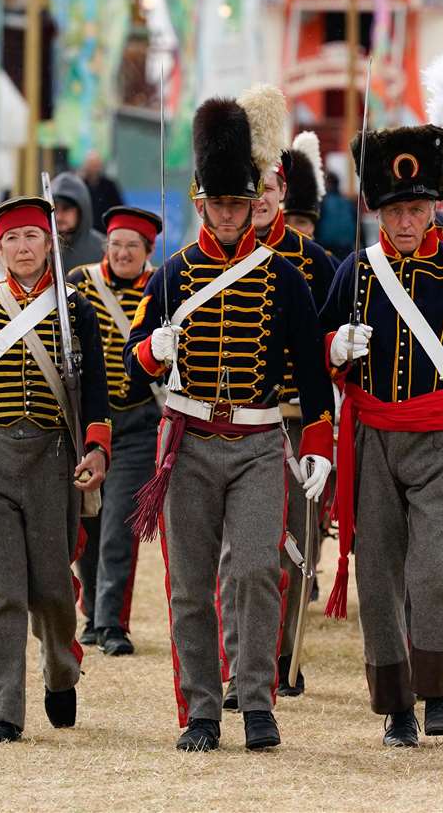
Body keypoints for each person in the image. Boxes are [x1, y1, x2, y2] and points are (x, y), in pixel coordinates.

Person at [125, 89, 334, 755]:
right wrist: (150, 354)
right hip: (186, 441)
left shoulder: (285, 278)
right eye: (218, 203)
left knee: (253, 570)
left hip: (255, 441)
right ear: (201, 202)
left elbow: (312, 373)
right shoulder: (171, 275)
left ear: (253, 203)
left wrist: (322, 445)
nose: (228, 213)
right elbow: (132, 373)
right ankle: (201, 711)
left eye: (239, 203)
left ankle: (256, 700)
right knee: (190, 585)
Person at [321, 121, 443, 749]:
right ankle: (397, 706)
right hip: (372, 439)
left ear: (434, 210)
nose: (406, 221)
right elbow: (322, 351)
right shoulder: (356, 271)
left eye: (417, 208)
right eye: (396, 209)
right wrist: (336, 348)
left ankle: (437, 690)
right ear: (380, 211)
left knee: (434, 569)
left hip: (438, 441)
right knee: (377, 577)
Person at [0, 196, 110, 743]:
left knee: (53, 587)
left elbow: (97, 387)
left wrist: (98, 447)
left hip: (53, 461)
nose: (23, 247)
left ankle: (61, 668)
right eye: (12, 239)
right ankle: (3, 706)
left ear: (49, 243)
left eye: (33, 236)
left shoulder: (75, 306)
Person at [220, 115, 339, 705]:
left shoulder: (314, 261)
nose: (262, 199)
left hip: (294, 417)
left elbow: (335, 341)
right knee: (233, 552)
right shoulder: (213, 257)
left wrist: (341, 347)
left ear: (283, 192)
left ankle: (281, 655)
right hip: (234, 420)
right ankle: (236, 658)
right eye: (253, 188)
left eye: (270, 188)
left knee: (294, 542)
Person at [68, 204, 163, 655]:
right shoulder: (81, 283)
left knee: (120, 524)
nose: (123, 253)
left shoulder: (162, 287)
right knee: (88, 517)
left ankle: (111, 624)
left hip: (139, 421)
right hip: (88, 423)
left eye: (133, 246)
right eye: (116, 244)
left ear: (148, 250)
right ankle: (90, 613)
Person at [51, 170, 105, 272]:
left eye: (66, 208)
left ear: (82, 210)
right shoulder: (38, 250)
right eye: (54, 209)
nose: (58, 217)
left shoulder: (104, 251)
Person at [282, 130, 330, 245]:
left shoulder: (325, 262)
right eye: (284, 221)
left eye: (301, 222)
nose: (291, 229)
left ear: (312, 227)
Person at [316, 169, 357, 262]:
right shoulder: (348, 202)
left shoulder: (323, 202)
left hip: (327, 247)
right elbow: (358, 226)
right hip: (346, 247)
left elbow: (317, 224)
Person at [80, 150, 124, 233]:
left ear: (100, 166)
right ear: (86, 166)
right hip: (84, 231)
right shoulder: (80, 185)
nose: (94, 169)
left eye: (96, 165)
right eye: (91, 165)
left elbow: (119, 208)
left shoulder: (109, 186)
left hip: (105, 231)